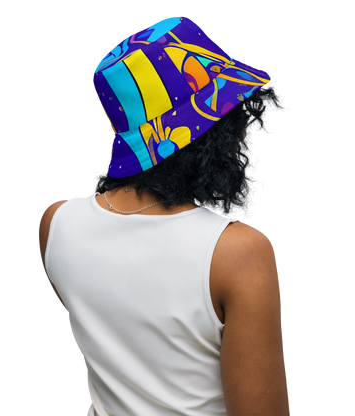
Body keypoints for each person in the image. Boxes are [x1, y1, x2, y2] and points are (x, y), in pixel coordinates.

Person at [36, 14, 293, 416]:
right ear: (210, 133)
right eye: (233, 120)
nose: (243, 134)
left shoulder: (56, 222)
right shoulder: (238, 251)